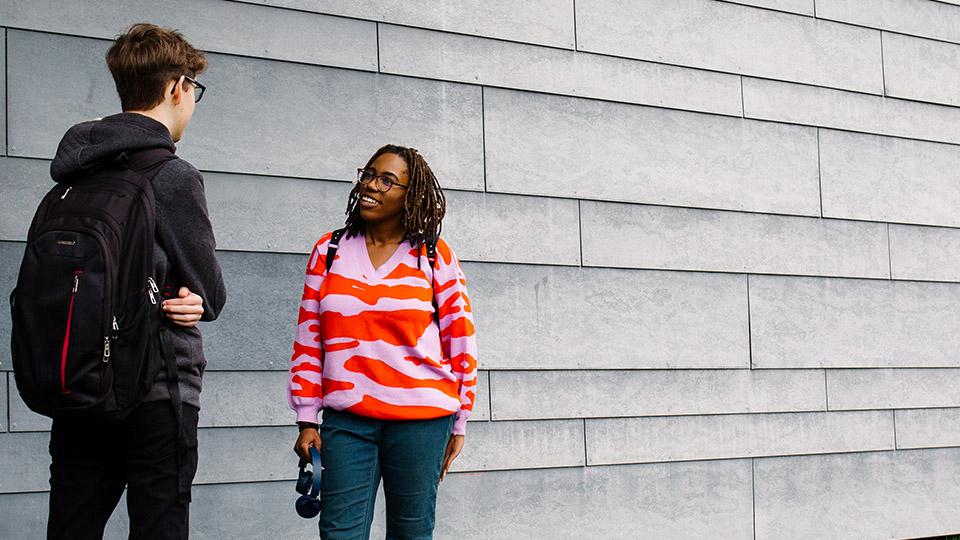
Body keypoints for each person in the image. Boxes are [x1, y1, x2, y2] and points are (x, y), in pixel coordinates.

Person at [44, 23, 226, 539]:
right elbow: (210, 292)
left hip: (79, 383)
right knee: (159, 528)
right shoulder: (172, 176)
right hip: (156, 389)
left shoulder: (76, 172)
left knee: (72, 526)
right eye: (194, 89)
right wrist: (193, 298)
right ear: (176, 88)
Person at [288, 145, 478, 539]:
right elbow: (309, 338)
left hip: (422, 422)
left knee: (411, 532)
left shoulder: (432, 254)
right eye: (369, 174)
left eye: (386, 180)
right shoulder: (330, 251)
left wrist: (459, 420)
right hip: (348, 421)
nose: (370, 185)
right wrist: (307, 417)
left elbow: (461, 340)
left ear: (411, 195)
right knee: (340, 532)